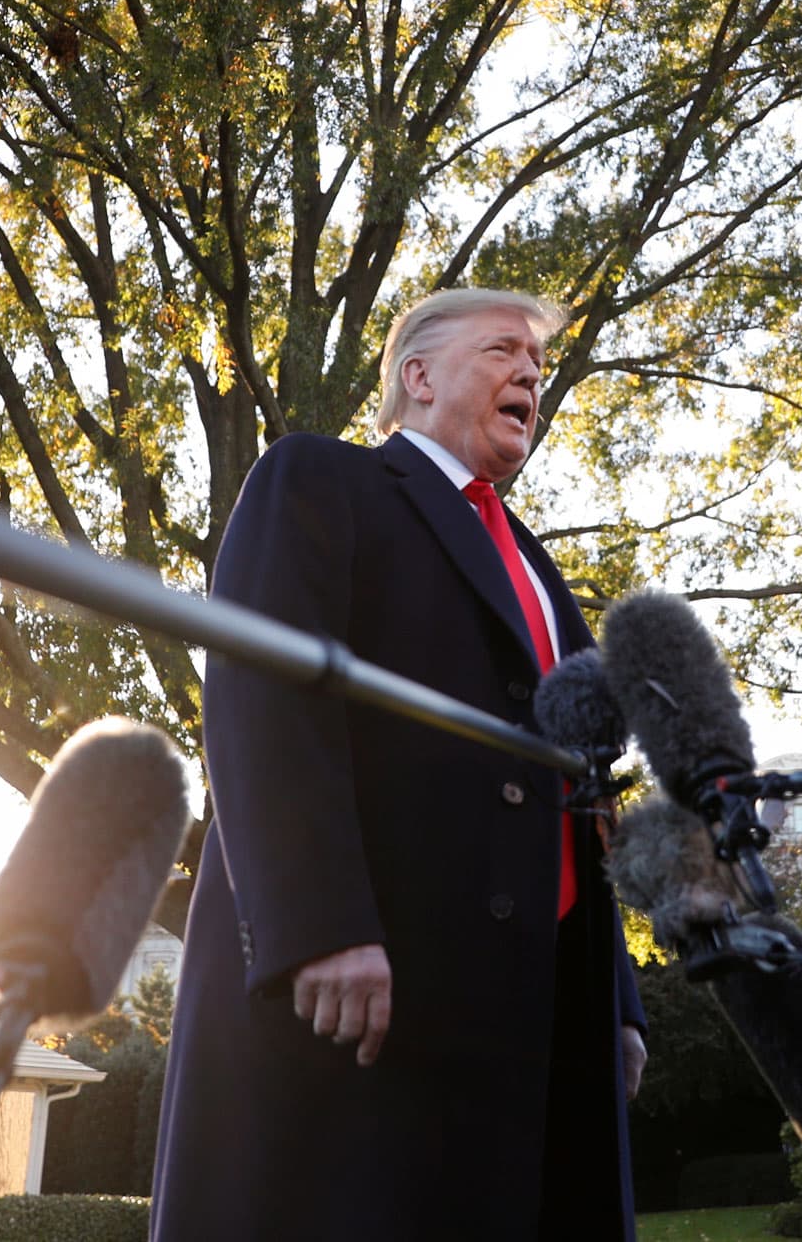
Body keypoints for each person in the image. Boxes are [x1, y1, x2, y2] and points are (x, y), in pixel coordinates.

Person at [151, 289, 648, 1241]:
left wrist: (614, 998)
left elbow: (587, 802)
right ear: (417, 378)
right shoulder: (320, 480)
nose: (531, 375)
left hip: (535, 1017)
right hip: (371, 998)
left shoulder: (542, 575)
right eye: (503, 349)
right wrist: (320, 924)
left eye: (537, 365)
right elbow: (264, 695)